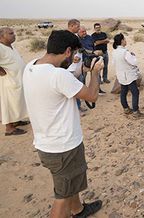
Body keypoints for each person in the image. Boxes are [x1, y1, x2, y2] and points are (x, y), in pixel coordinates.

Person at [23, 30, 103, 218]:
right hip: (63, 147)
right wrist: (96, 73)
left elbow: (57, 82)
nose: (76, 56)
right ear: (68, 51)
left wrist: (79, 69)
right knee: (62, 197)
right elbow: (92, 96)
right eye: (75, 53)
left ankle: (79, 210)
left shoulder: (31, 66)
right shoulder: (58, 76)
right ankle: (71, 209)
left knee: (69, 183)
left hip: (47, 144)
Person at [0, 27, 29, 136]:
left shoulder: (10, 46)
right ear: (2, 36)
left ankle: (16, 121)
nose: (14, 35)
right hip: (9, 82)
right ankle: (9, 128)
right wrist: (1, 71)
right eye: (11, 33)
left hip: (17, 80)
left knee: (16, 103)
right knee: (9, 104)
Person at [112, 33, 144, 119]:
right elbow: (134, 62)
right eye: (124, 39)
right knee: (135, 92)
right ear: (122, 41)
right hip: (129, 75)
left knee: (123, 92)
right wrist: (133, 56)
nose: (125, 41)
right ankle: (136, 112)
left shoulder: (114, 52)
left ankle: (126, 109)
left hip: (120, 75)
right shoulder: (125, 52)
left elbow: (114, 63)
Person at [78, 26, 105, 95]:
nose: (84, 33)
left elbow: (93, 47)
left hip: (93, 59)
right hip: (83, 61)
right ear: (78, 32)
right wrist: (92, 52)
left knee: (97, 75)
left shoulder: (89, 37)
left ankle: (98, 89)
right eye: (82, 32)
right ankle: (83, 91)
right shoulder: (76, 40)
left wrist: (96, 53)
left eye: (85, 31)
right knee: (82, 77)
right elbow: (81, 49)